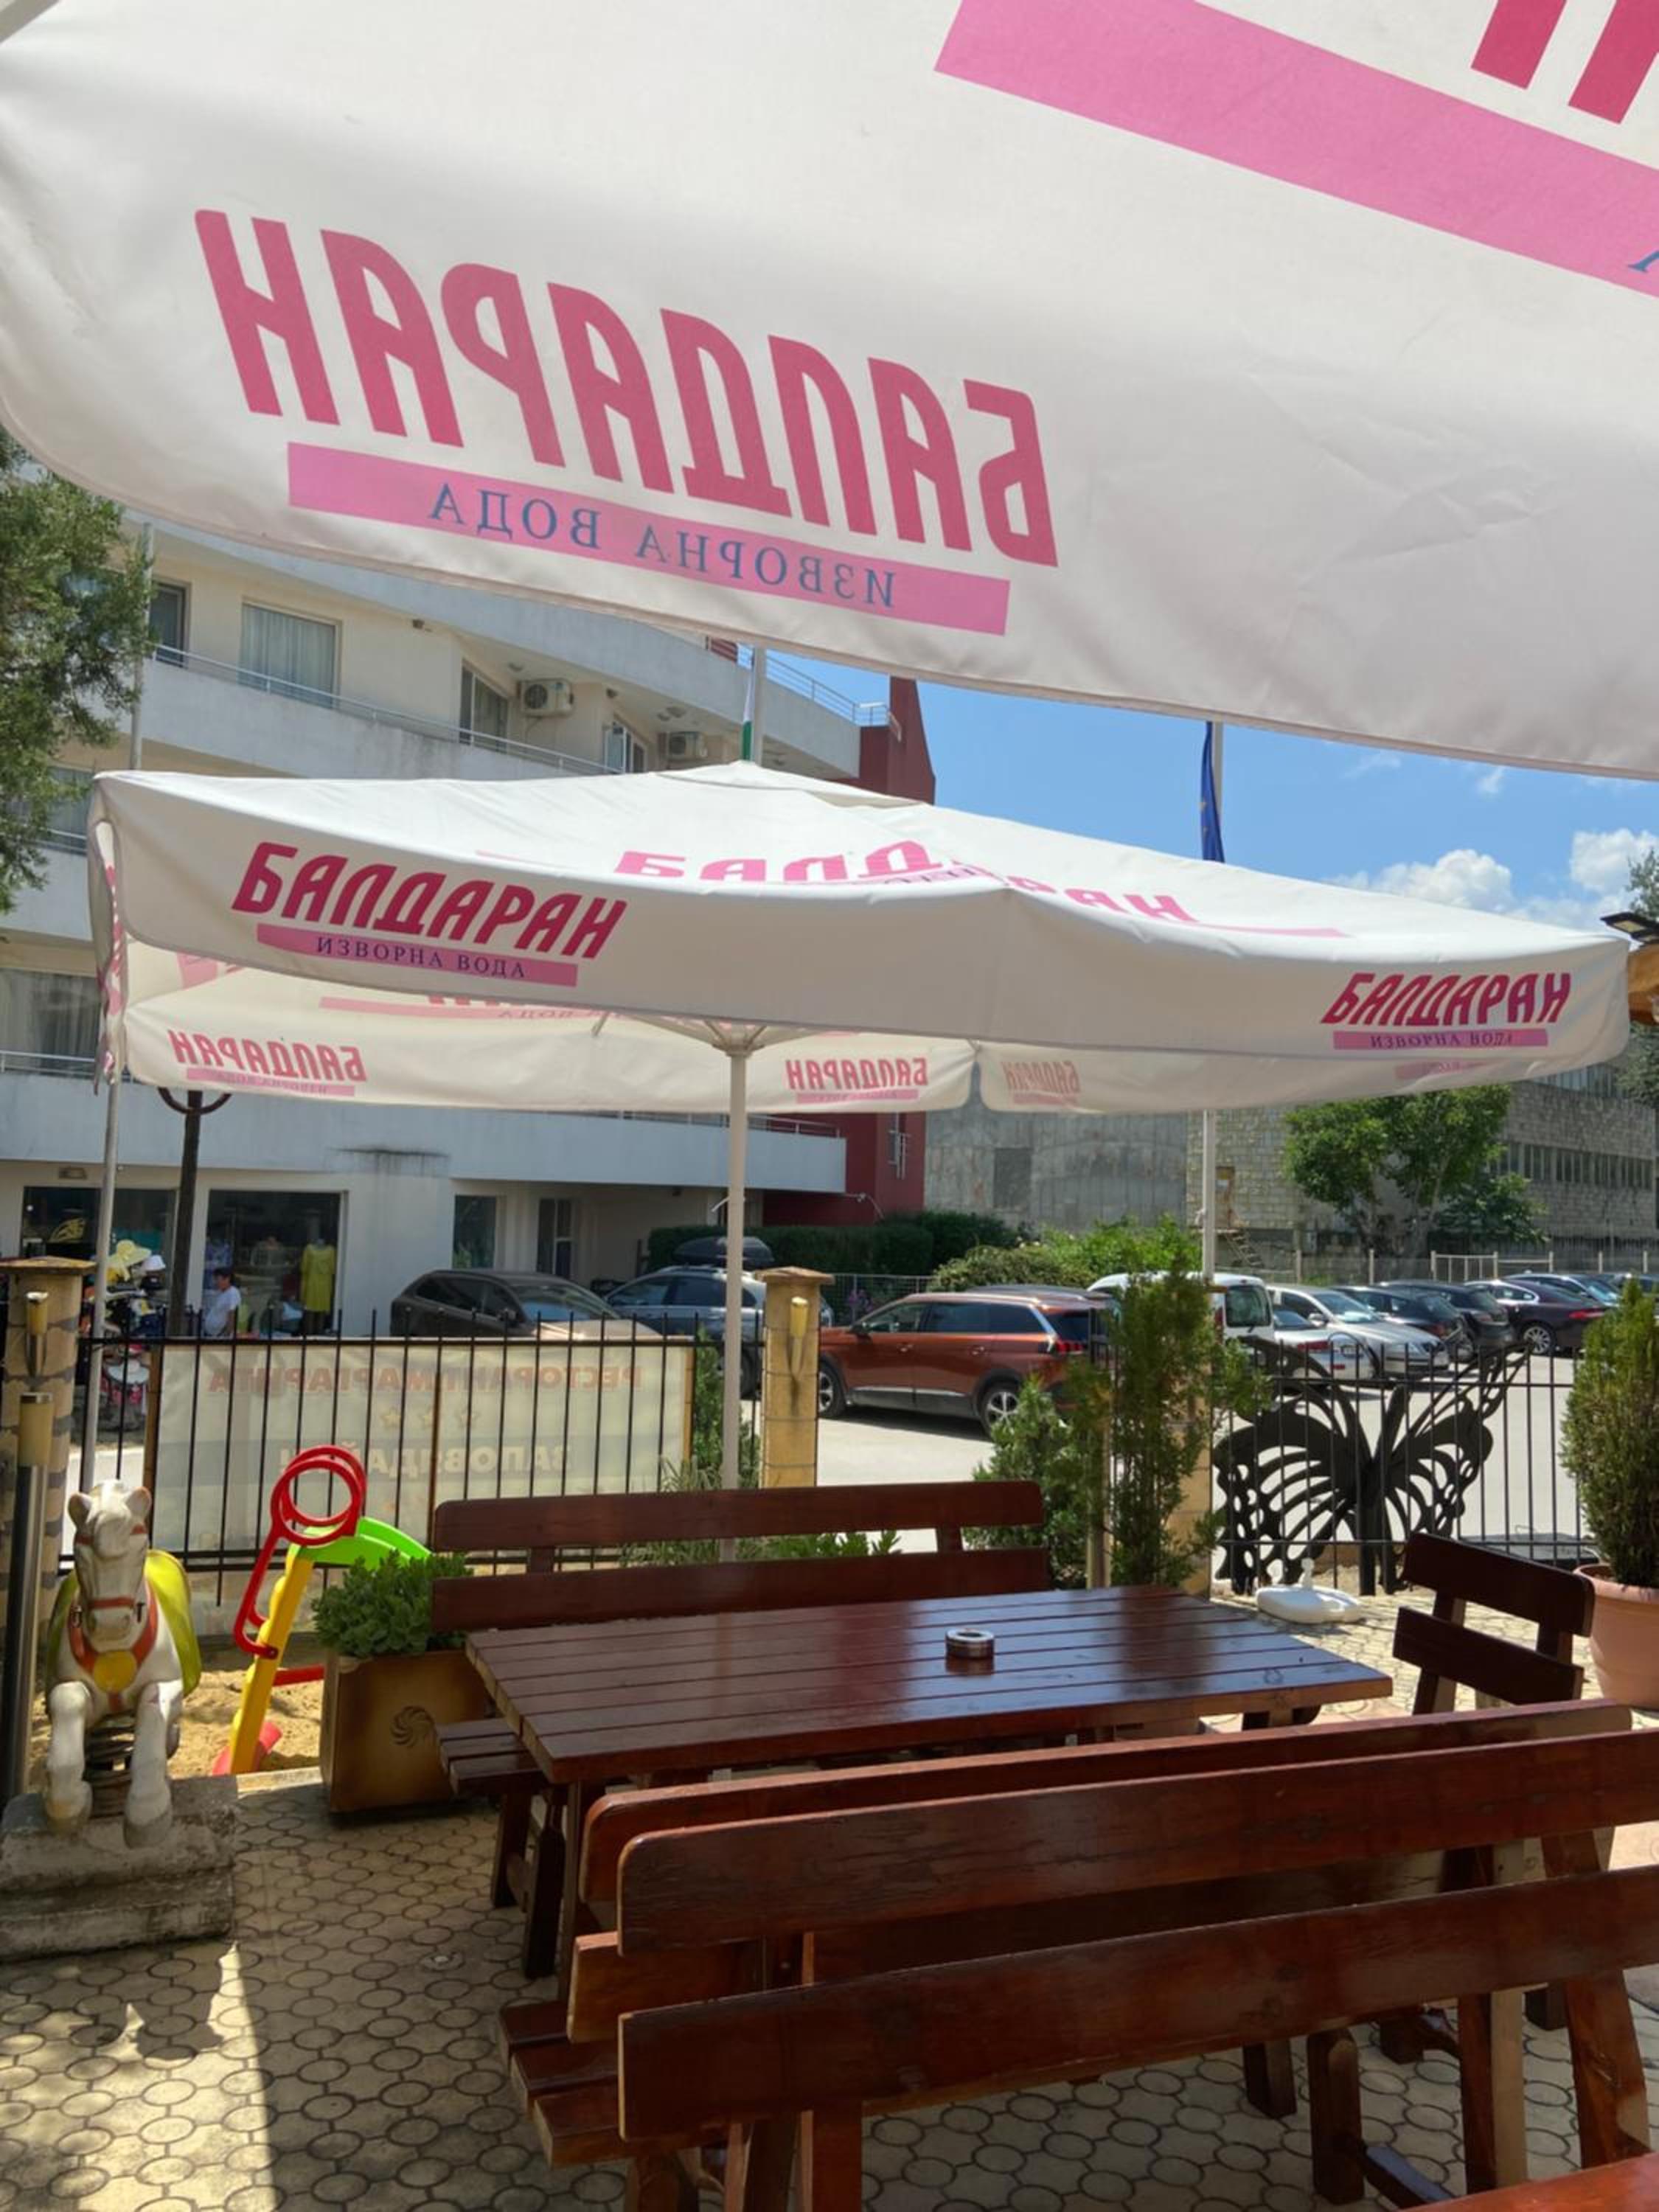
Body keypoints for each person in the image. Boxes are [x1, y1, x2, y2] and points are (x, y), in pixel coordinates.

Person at [202, 1267, 242, 1340]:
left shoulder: (233, 1293)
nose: (216, 1282)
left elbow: (232, 1314)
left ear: (227, 1279)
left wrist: (227, 1334)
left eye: (218, 1279)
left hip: (220, 1336)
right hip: (212, 1334)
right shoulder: (221, 1292)